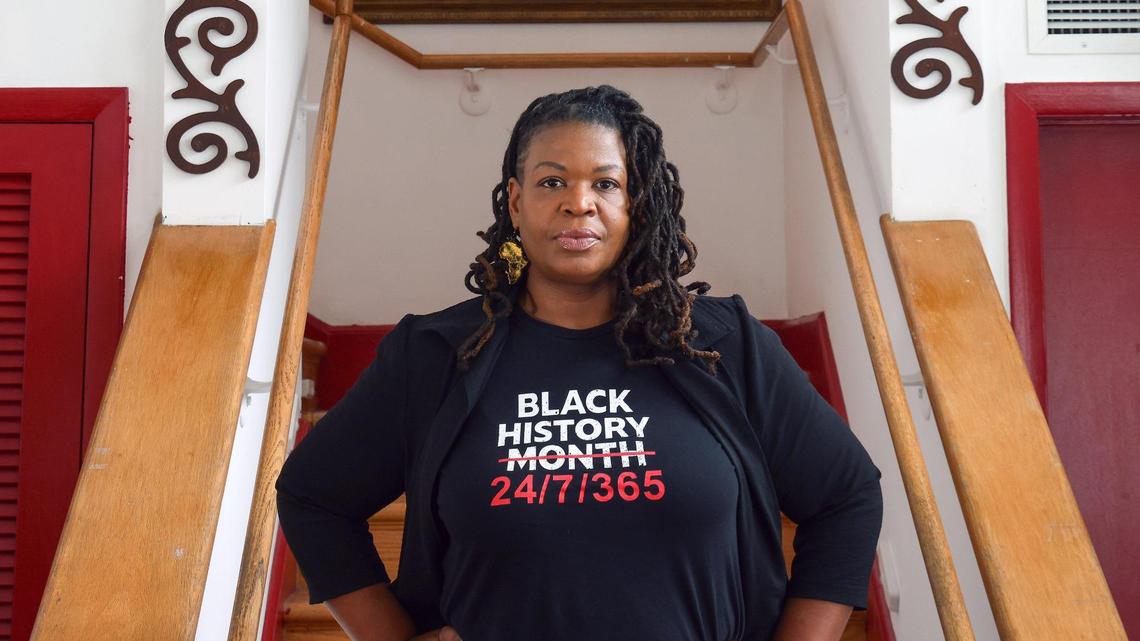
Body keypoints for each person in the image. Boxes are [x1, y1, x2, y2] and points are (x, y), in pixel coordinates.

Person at [275, 85, 883, 641]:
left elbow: (846, 497)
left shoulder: (724, 344)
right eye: (552, 182)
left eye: (606, 184)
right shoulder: (434, 355)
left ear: (637, 202)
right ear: (516, 202)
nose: (579, 204)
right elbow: (313, 496)